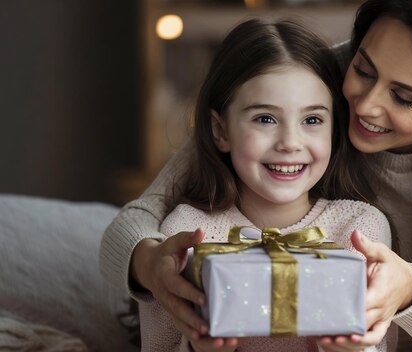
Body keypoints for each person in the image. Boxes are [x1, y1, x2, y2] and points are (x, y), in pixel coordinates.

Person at [100, 0, 412, 351]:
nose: (363, 105)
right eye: (364, 69)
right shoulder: (311, 83)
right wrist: (151, 265)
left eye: (404, 97)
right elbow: (143, 215)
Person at [127, 18, 392, 352]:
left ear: (334, 129)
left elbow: (381, 343)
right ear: (220, 130)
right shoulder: (187, 233)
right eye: (265, 119)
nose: (290, 142)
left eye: (312, 120)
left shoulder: (360, 230)